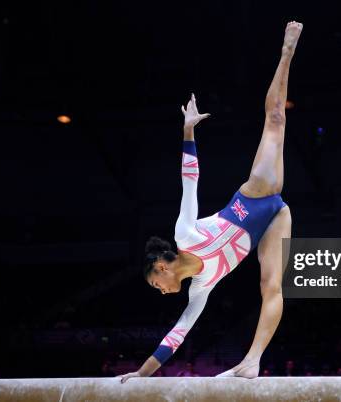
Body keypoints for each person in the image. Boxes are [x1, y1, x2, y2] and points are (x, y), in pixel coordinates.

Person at [119, 21, 303, 383]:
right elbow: (178, 333)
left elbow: (190, 182)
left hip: (255, 198)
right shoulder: (199, 290)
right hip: (276, 217)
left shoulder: (184, 234)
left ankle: (287, 52)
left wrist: (188, 131)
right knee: (272, 288)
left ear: (161, 267)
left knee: (276, 119)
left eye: (157, 285)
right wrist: (141, 374)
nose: (161, 292)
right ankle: (253, 360)